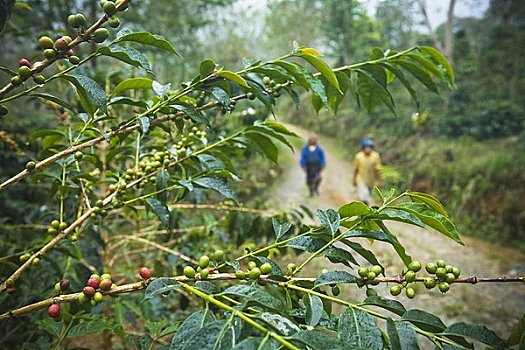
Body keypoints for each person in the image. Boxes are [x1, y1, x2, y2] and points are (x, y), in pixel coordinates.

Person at [353, 138, 382, 205]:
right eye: (366, 147)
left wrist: (379, 180)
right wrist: (354, 180)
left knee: (367, 194)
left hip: (371, 181)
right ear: (363, 148)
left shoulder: (375, 156)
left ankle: (364, 208)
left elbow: (377, 169)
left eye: (370, 147)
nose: (368, 149)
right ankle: (364, 208)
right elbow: (356, 169)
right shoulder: (358, 156)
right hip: (361, 179)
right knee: (364, 195)